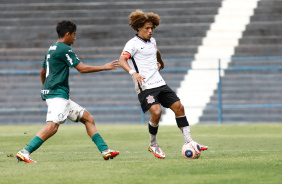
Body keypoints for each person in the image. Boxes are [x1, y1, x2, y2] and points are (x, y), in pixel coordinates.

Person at [16, 20, 119, 163]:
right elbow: (81, 68)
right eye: (74, 35)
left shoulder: (51, 48)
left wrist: (45, 89)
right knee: (52, 127)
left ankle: (105, 151)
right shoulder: (65, 48)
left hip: (58, 95)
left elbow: (42, 71)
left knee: (88, 118)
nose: (75, 38)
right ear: (67, 34)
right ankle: (25, 152)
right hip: (58, 95)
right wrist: (105, 67)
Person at [119, 10, 208, 159]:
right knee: (156, 112)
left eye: (152, 28)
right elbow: (122, 60)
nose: (150, 31)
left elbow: (156, 51)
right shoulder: (132, 44)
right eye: (147, 28)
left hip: (160, 83)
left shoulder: (152, 41)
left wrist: (160, 61)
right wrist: (133, 73)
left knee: (179, 107)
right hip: (145, 86)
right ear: (139, 27)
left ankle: (189, 141)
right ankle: (153, 144)